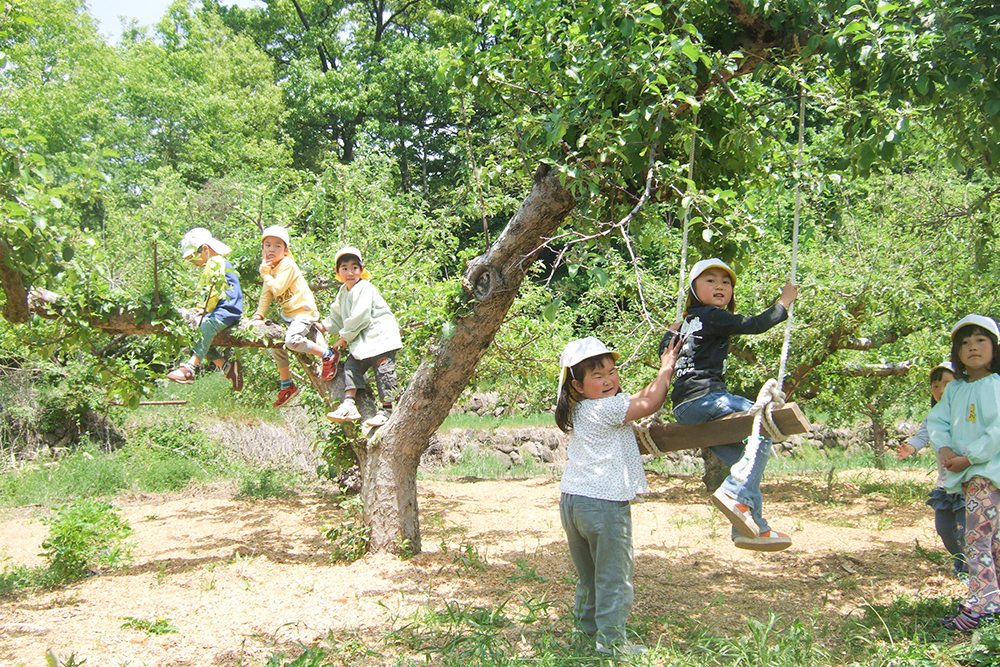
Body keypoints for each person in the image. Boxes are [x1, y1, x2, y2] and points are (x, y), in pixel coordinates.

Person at [659, 258, 798, 551]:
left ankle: (751, 529)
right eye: (710, 280)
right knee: (764, 426)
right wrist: (783, 302)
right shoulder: (712, 316)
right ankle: (734, 494)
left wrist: (670, 333)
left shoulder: (687, 323)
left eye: (726, 282)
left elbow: (665, 352)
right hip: (707, 397)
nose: (720, 286)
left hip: (684, 407)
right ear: (694, 289)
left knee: (743, 460)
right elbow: (756, 324)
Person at [555, 335, 681, 656]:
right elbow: (650, 402)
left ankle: (585, 635)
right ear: (577, 386)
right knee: (614, 575)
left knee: (589, 577)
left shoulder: (583, 409)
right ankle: (611, 643)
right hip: (603, 503)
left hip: (573, 501)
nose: (609, 379)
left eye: (612, 371)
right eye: (597, 376)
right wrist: (666, 369)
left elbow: (636, 398)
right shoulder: (607, 408)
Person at [928, 314, 1000, 630]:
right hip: (973, 477)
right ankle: (991, 600)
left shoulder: (997, 384)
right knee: (988, 539)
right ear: (957, 353)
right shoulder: (955, 390)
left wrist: (969, 457)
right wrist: (945, 449)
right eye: (965, 343)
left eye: (980, 340)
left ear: (995, 348)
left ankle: (983, 605)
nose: (973, 347)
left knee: (977, 539)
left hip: (988, 471)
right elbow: (938, 421)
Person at [250, 225, 338, 408]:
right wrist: (259, 314)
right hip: (288, 315)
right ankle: (286, 385)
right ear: (262, 248)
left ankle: (328, 355)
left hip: (303, 313)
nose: (271, 249)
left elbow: (277, 289)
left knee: (291, 341)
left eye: (277, 246)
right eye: (267, 245)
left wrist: (265, 274)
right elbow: (267, 295)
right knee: (273, 341)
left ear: (285, 250)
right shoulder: (270, 269)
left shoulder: (287, 265)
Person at [896, 361, 967, 576]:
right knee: (945, 529)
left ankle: (975, 571)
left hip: (968, 483)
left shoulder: (968, 413)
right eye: (935, 385)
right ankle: (961, 562)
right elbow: (923, 436)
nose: (940, 389)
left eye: (947, 383)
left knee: (967, 532)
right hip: (946, 486)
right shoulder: (934, 416)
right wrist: (910, 448)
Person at [322, 247, 403, 428]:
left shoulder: (365, 288)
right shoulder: (343, 292)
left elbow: (360, 316)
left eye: (354, 268)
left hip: (381, 339)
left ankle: (387, 410)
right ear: (337, 272)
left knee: (384, 372)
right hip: (364, 343)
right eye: (344, 268)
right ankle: (349, 403)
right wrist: (323, 326)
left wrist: (343, 338)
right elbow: (336, 317)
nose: (350, 272)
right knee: (351, 366)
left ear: (362, 269)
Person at [166, 228, 244, 390]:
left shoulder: (214, 262)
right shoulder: (216, 262)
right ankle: (227, 368)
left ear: (205, 249)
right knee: (200, 335)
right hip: (224, 309)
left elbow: (213, 290)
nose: (192, 262)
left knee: (206, 326)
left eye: (193, 256)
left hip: (227, 309)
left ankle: (189, 368)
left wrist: (206, 309)